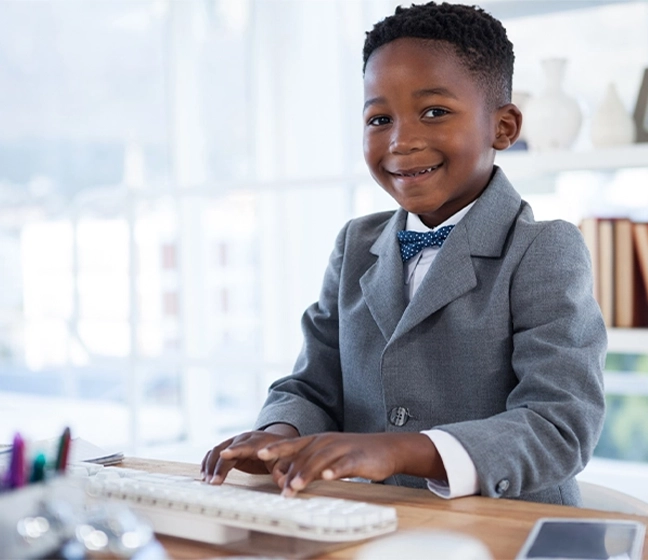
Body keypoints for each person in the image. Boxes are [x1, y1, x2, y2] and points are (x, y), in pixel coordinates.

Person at [201, 1, 606, 506]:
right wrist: (280, 434)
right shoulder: (356, 245)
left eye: (434, 112)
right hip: (378, 522)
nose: (401, 141)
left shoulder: (543, 249)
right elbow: (311, 387)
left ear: (503, 127)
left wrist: (397, 450)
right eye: (379, 118)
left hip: (507, 530)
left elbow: (558, 425)